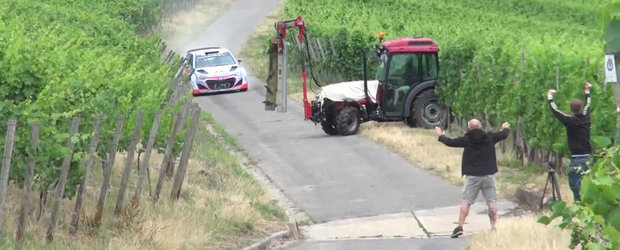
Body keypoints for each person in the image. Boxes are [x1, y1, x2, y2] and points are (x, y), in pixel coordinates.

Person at [434, 119, 510, 238]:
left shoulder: (466, 139)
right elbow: (504, 135)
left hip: (473, 176)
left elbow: (450, 142)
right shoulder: (490, 137)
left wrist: (440, 135)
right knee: (492, 202)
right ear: (480, 126)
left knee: (467, 202)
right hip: (488, 175)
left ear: (469, 128)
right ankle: (494, 227)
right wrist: (505, 127)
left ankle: (460, 226)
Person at [546, 82, 592, 202]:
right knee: (590, 185)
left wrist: (550, 97)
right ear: (580, 108)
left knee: (575, 185)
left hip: (577, 159)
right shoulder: (586, 118)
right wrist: (587, 92)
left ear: (571, 109)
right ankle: (589, 208)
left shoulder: (569, 121)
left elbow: (556, 112)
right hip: (588, 158)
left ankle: (580, 206)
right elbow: (588, 104)